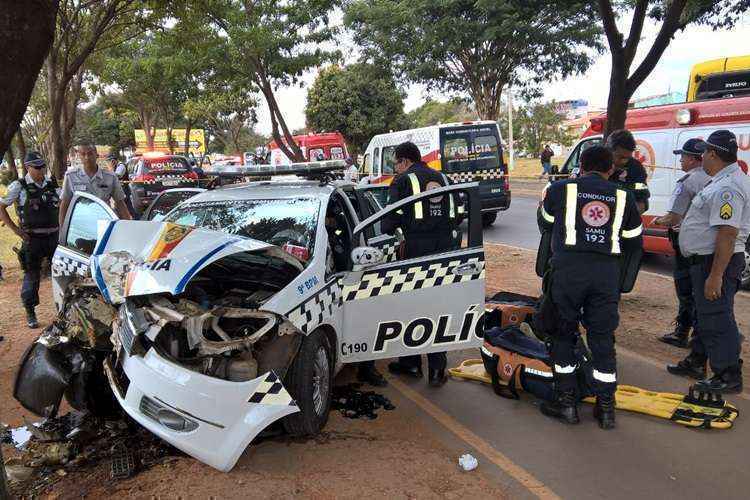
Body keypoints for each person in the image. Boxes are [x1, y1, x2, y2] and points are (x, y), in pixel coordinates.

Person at [537, 145, 643, 429]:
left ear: (581, 166)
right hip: (606, 275)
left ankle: (567, 403)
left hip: (568, 273)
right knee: (602, 339)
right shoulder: (624, 196)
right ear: (610, 169)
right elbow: (633, 239)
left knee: (563, 334)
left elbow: (545, 222)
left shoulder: (561, 189)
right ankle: (606, 408)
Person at [667, 130, 749, 393]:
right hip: (707, 261)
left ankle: (728, 374)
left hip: (716, 263)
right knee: (707, 315)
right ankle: (697, 360)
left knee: (717, 318)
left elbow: (727, 233)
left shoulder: (728, 187)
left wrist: (715, 276)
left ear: (713, 154)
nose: (701, 157)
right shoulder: (722, 180)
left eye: (704, 153)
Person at [382, 141, 458, 387]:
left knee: (413, 307)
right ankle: (437, 371)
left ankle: (411, 364)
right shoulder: (443, 178)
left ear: (404, 161)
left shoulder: (402, 181)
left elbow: (389, 222)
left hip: (416, 250)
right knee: (438, 307)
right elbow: (457, 215)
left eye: (396, 163)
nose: (396, 168)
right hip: (446, 250)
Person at [653, 139, 710, 348]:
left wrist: (658, 220)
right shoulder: (714, 179)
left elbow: (674, 218)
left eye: (683, 156)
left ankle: (683, 333)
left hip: (685, 242)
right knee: (699, 289)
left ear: (695, 159)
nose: (680, 160)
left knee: (685, 289)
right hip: (706, 243)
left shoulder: (688, 181)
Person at [0, 152, 60, 328]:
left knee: (63, 273)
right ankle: (30, 311)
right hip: (32, 238)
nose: (41, 170)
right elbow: (2, 208)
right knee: (32, 276)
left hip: (54, 237)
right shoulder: (18, 186)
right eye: (37, 167)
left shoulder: (51, 184)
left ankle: (65, 309)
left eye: (43, 166)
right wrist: (17, 231)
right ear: (28, 168)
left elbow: (63, 203)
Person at [59, 143, 132, 227]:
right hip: (80, 225)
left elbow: (120, 204)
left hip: (104, 224)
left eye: (90, 154)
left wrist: (128, 226)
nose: (87, 157)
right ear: (79, 156)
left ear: (96, 155)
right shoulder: (71, 176)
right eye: (83, 154)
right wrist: (62, 229)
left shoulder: (110, 177)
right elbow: (64, 204)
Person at [606, 129, 651, 214]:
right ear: (608, 151)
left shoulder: (636, 168)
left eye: (627, 158)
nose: (624, 161)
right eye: (620, 157)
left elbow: (642, 203)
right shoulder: (594, 162)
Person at [108, 152, 136, 218]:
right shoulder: (117, 166)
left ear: (114, 160)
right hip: (121, 189)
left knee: (120, 206)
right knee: (128, 207)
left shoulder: (121, 166)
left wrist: (111, 168)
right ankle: (136, 218)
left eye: (110, 161)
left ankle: (135, 218)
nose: (110, 163)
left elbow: (116, 176)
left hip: (124, 190)